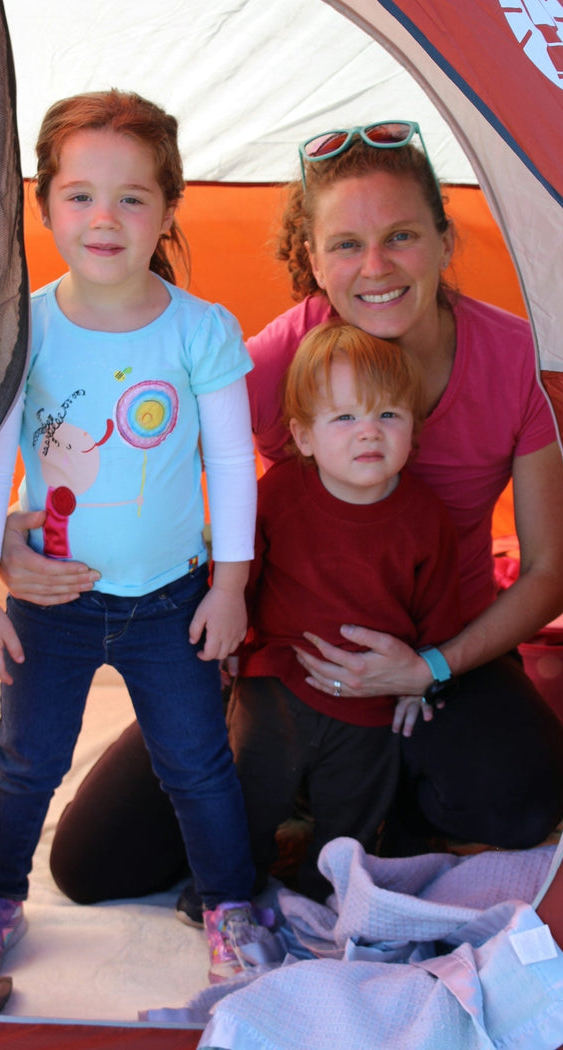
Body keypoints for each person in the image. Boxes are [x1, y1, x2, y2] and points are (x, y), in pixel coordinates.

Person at [3, 119, 563, 910]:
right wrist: (13, 527)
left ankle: (356, 805)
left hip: (444, 655)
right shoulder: (275, 359)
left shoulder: (517, 361)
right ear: (312, 259)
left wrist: (431, 666)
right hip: (282, 661)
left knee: (525, 800)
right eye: (345, 244)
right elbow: (124, 450)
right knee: (92, 864)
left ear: (446, 241)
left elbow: (552, 571)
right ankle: (284, 768)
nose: (374, 268)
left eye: (402, 236)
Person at [0, 88, 273, 985]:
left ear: (170, 207)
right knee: (25, 763)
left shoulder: (201, 330)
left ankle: (228, 904)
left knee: (199, 765)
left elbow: (231, 465)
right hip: (50, 602)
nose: (105, 218)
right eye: (81, 195)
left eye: (133, 197)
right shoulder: (23, 328)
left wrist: (230, 584)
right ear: (45, 202)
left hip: (172, 599)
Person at [227, 319, 463, 902]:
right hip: (276, 683)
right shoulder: (278, 493)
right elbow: (240, 576)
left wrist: (421, 680)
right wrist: (229, 649)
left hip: (370, 705)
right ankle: (230, 891)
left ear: (414, 430)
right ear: (304, 436)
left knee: (351, 816)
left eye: (388, 416)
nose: (369, 434)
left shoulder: (426, 518)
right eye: (345, 417)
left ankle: (323, 903)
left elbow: (439, 609)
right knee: (248, 792)